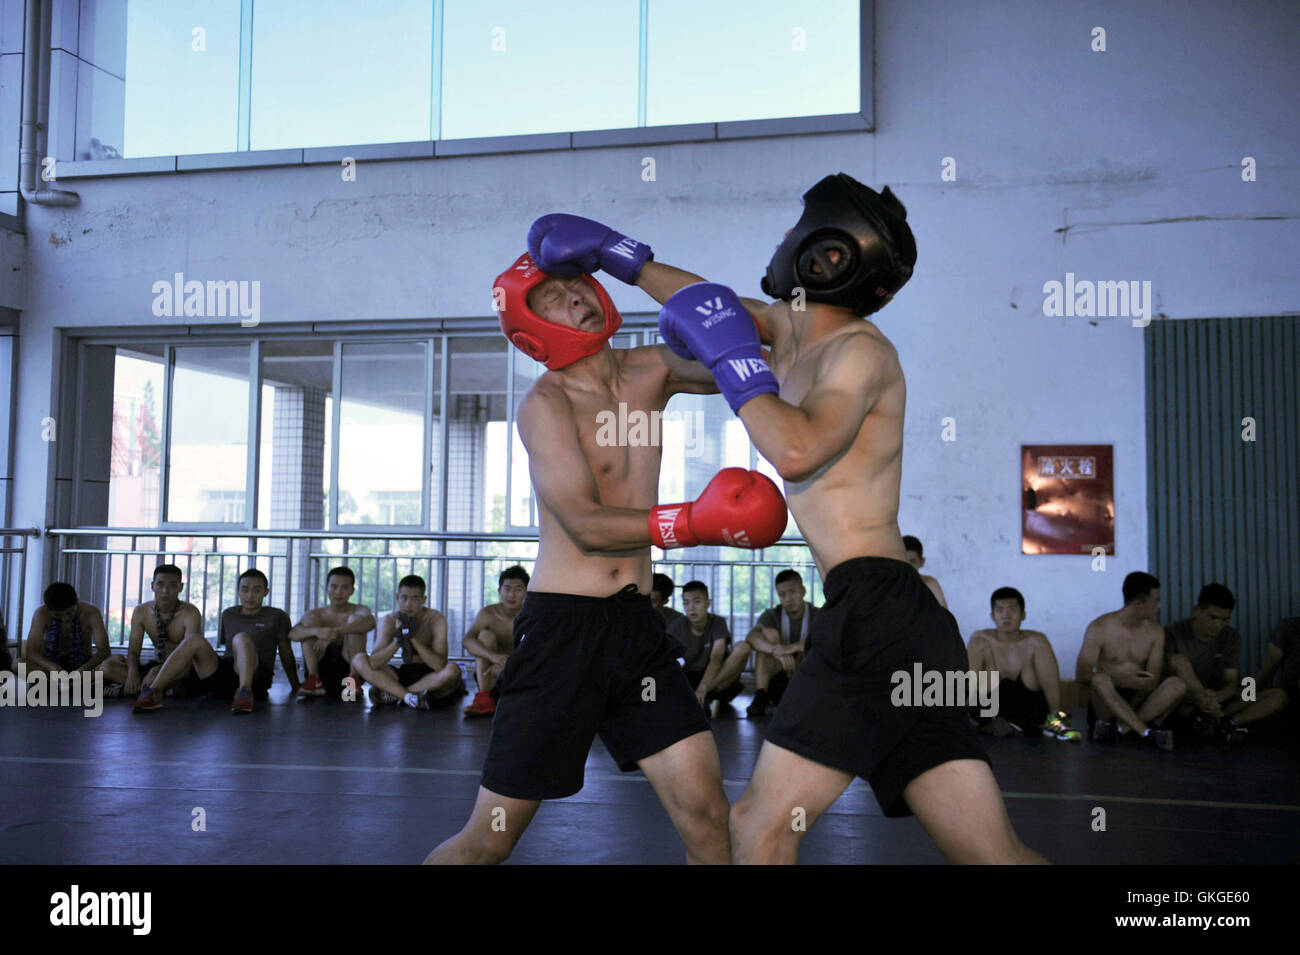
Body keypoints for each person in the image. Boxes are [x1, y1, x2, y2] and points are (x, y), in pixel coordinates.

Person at [649, 172, 1045, 863]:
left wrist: (734, 361)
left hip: (876, 613)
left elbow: (798, 448)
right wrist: (620, 258)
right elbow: (707, 306)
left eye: (790, 232)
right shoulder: (786, 332)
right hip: (898, 621)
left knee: (756, 830)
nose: (779, 243)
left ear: (825, 253)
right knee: (992, 855)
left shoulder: (860, 351)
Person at [424, 245, 787, 865]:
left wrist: (631, 258)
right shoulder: (545, 406)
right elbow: (587, 525)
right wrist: (695, 522)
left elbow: (761, 342)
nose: (575, 299)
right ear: (535, 330)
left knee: (707, 816)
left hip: (635, 629)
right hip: (562, 633)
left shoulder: (651, 369)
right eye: (553, 300)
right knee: (489, 840)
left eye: (577, 285)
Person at [134, 568, 296, 713]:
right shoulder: (228, 614)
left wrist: (295, 685)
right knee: (194, 639)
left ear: (266, 592)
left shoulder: (277, 616)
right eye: (245, 590)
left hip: (256, 678)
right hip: (226, 673)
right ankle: (154, 691)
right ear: (238, 591)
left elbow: (285, 651)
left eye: (256, 590)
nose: (250, 595)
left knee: (241, 638)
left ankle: (244, 691)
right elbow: (226, 650)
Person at [1165, 584, 1288, 743]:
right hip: (1188, 700)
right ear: (1197, 610)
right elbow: (1168, 679)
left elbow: (1231, 682)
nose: (1218, 625)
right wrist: (1200, 696)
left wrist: (1218, 697)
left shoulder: (1231, 636)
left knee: (1278, 695)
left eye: (1225, 619)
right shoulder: (1174, 632)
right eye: (1213, 617)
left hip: (1219, 700)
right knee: (1178, 673)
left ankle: (1227, 722)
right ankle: (1215, 721)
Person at [1075, 572, 1185, 749]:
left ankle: (1119, 729)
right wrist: (1122, 680)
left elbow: (1153, 680)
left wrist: (1137, 689)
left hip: (1140, 700)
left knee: (1177, 684)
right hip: (1107, 702)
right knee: (1099, 679)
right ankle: (1146, 732)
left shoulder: (1156, 631)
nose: (1159, 606)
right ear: (1140, 603)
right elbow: (1082, 675)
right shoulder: (1100, 627)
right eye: (1156, 600)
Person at [967, 587, 1079, 740]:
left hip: (1027, 703)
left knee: (1038, 642)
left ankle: (1056, 719)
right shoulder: (982, 638)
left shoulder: (1034, 640)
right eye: (1000, 610)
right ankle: (961, 717)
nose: (1006, 616)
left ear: (1023, 615)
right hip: (990, 704)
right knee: (978, 643)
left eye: (1012, 610)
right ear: (992, 616)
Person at [352, 574, 465, 708]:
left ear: (424, 599)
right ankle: (410, 696)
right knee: (359, 659)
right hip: (403, 673)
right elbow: (374, 663)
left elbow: (439, 665)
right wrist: (398, 640)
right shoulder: (389, 620)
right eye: (404, 598)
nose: (408, 604)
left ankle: (397, 694)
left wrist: (412, 637)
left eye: (415, 599)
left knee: (453, 670)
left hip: (430, 676)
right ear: (397, 597)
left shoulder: (436, 619)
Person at [102, 565, 200, 696]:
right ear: (152, 586)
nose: (165, 591)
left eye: (172, 585)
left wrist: (156, 671)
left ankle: (141, 688)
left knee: (161, 675)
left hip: (183, 669)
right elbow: (133, 651)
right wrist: (132, 672)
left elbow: (190, 657)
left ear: (180, 587)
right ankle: (155, 688)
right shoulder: (141, 611)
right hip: (155, 665)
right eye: (160, 584)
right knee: (108, 667)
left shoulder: (190, 613)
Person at [665, 581, 748, 715]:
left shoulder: (718, 622)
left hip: (715, 678)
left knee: (743, 647)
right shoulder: (677, 626)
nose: (691, 608)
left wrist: (704, 688)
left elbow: (716, 658)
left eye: (697, 602)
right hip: (688, 677)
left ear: (708, 603)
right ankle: (700, 698)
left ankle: (702, 696)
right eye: (686, 602)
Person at [291, 566, 375, 698]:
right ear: (327, 589)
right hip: (321, 668)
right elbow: (293, 634)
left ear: (352, 590)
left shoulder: (359, 610)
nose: (338, 592)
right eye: (334, 586)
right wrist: (319, 632)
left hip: (348, 668)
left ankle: (353, 681)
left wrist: (334, 632)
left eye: (344, 587)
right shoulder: (316, 614)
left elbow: (370, 622)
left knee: (356, 623)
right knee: (309, 625)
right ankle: (314, 679)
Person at [744, 569, 818, 718]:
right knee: (768, 634)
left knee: (820, 642)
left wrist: (791, 648)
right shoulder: (772, 614)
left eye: (792, 592)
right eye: (782, 594)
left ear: (803, 591)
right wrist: (775, 651)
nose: (788, 598)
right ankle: (761, 695)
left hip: (809, 677)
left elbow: (827, 640)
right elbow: (751, 637)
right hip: (779, 674)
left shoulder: (818, 614)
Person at [461, 565, 529, 717]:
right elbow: (467, 640)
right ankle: (484, 697)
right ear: (499, 591)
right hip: (489, 674)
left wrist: (509, 665)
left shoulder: (530, 615)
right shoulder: (488, 613)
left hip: (518, 672)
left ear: (526, 592)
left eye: (518, 589)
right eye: (507, 588)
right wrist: (493, 657)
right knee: (485, 635)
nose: (511, 594)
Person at [22, 583, 111, 676]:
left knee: (110, 665)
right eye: (58, 615)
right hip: (50, 666)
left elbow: (104, 651)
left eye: (69, 613)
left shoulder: (91, 612)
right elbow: (32, 652)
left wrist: (83, 669)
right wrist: (53, 668)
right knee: (19, 665)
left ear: (77, 602)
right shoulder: (41, 614)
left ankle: (76, 681)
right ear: (48, 609)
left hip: (84, 665)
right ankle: (58, 683)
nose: (65, 618)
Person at [902, 536, 947, 609]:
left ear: (922, 561)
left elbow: (944, 617)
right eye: (904, 561)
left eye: (912, 561)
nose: (908, 566)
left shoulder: (930, 584)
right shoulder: (890, 585)